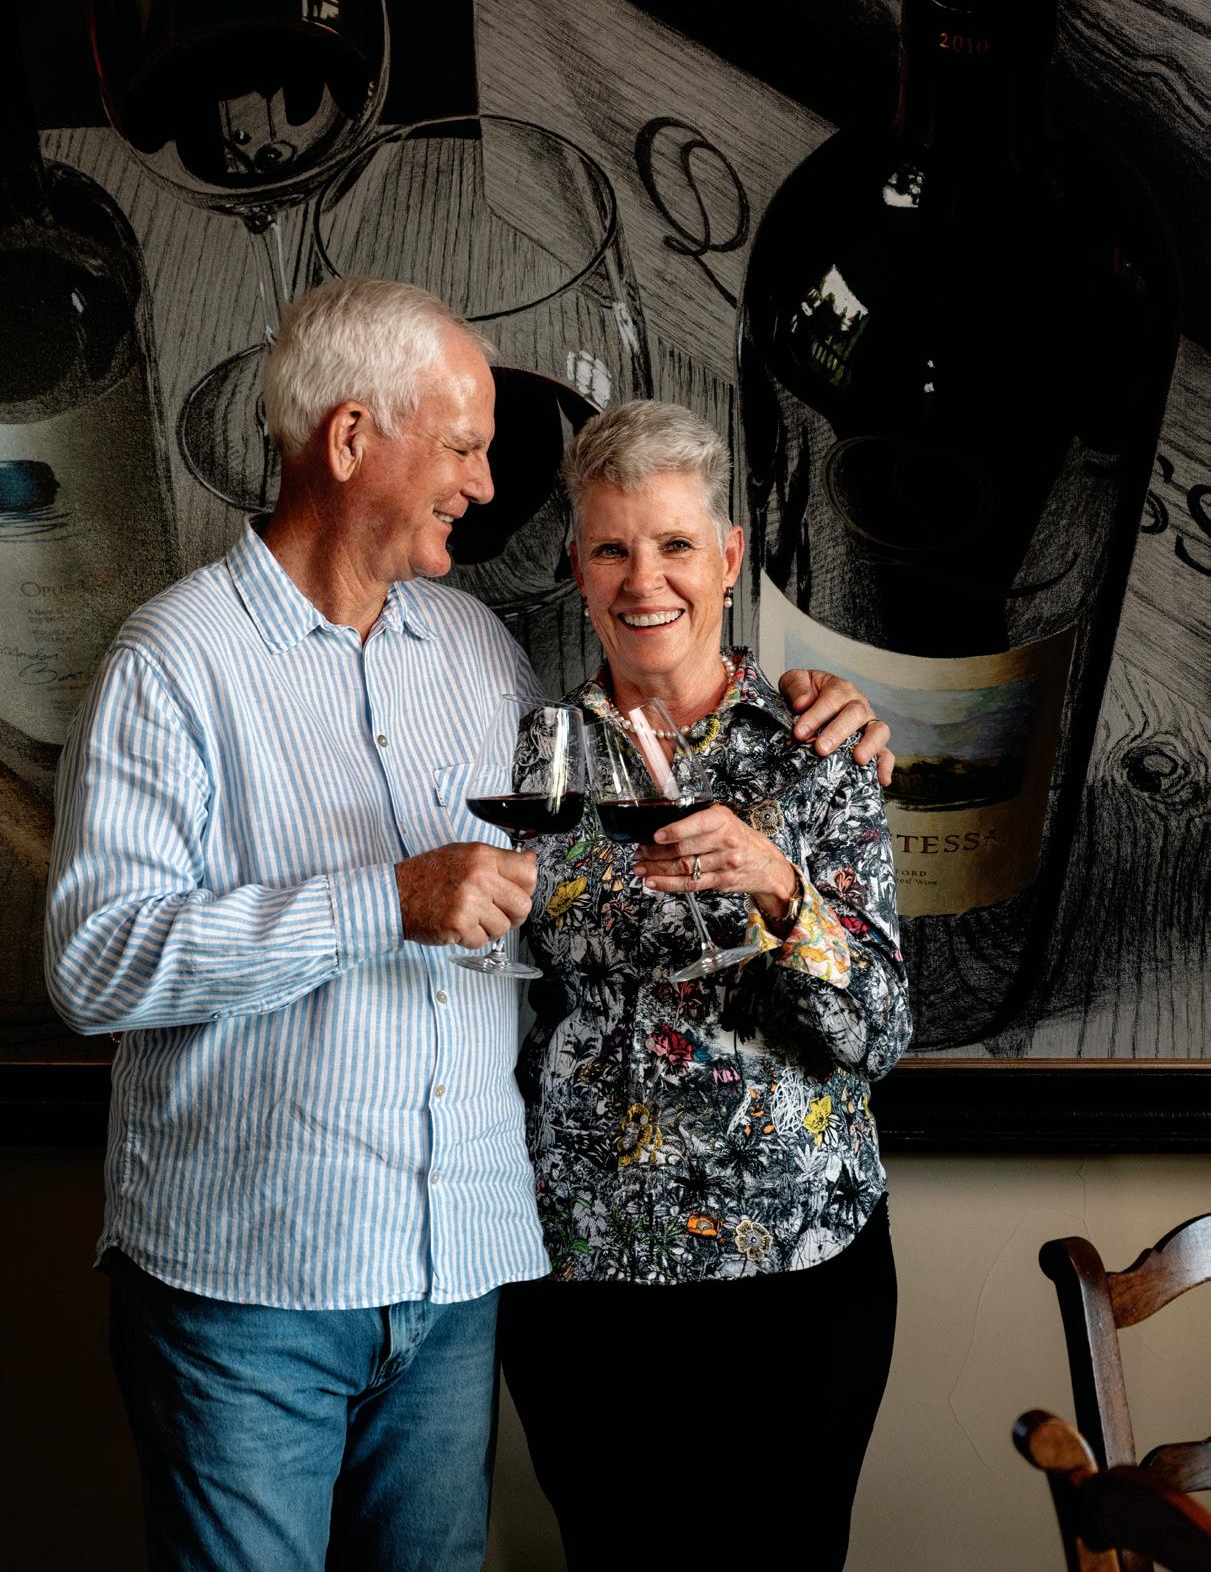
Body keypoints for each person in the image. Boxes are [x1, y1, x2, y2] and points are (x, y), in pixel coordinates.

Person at [43, 279, 891, 1572]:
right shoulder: (188, 664)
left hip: (523, 1281)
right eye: (462, 446)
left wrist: (800, 808)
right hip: (320, 1283)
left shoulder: (490, 660)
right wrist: (382, 900)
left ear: (728, 555)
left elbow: (861, 1007)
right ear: (349, 439)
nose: (484, 484)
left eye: (675, 546)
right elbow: (95, 964)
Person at [498, 401, 913, 1571]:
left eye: (675, 544)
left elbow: (877, 1035)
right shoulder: (531, 755)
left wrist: (780, 888)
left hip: (793, 1274)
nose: (646, 581)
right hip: (583, 1271)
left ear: (727, 557)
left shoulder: (818, 750)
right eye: (612, 548)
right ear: (576, 566)